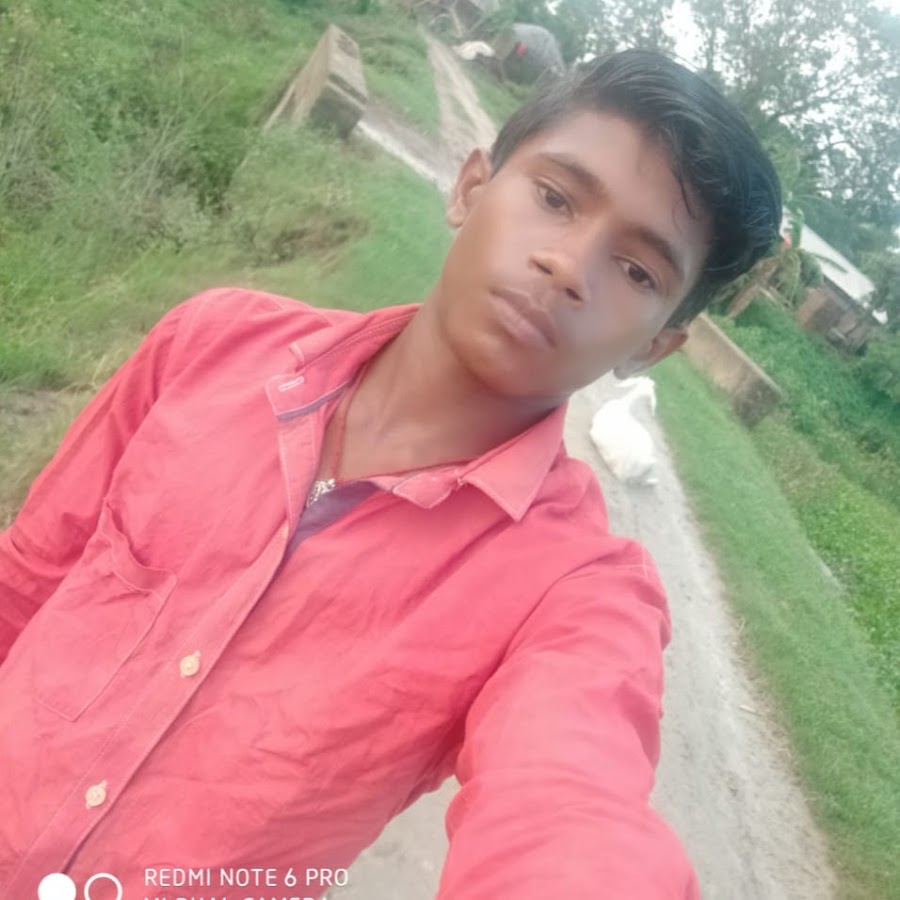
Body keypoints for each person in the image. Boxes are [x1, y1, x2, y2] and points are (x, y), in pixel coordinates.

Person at [0, 49, 780, 900]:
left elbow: (571, 807)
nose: (568, 265)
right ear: (471, 188)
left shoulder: (575, 592)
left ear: (654, 346)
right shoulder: (209, 346)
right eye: (556, 198)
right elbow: (29, 579)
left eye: (637, 271)